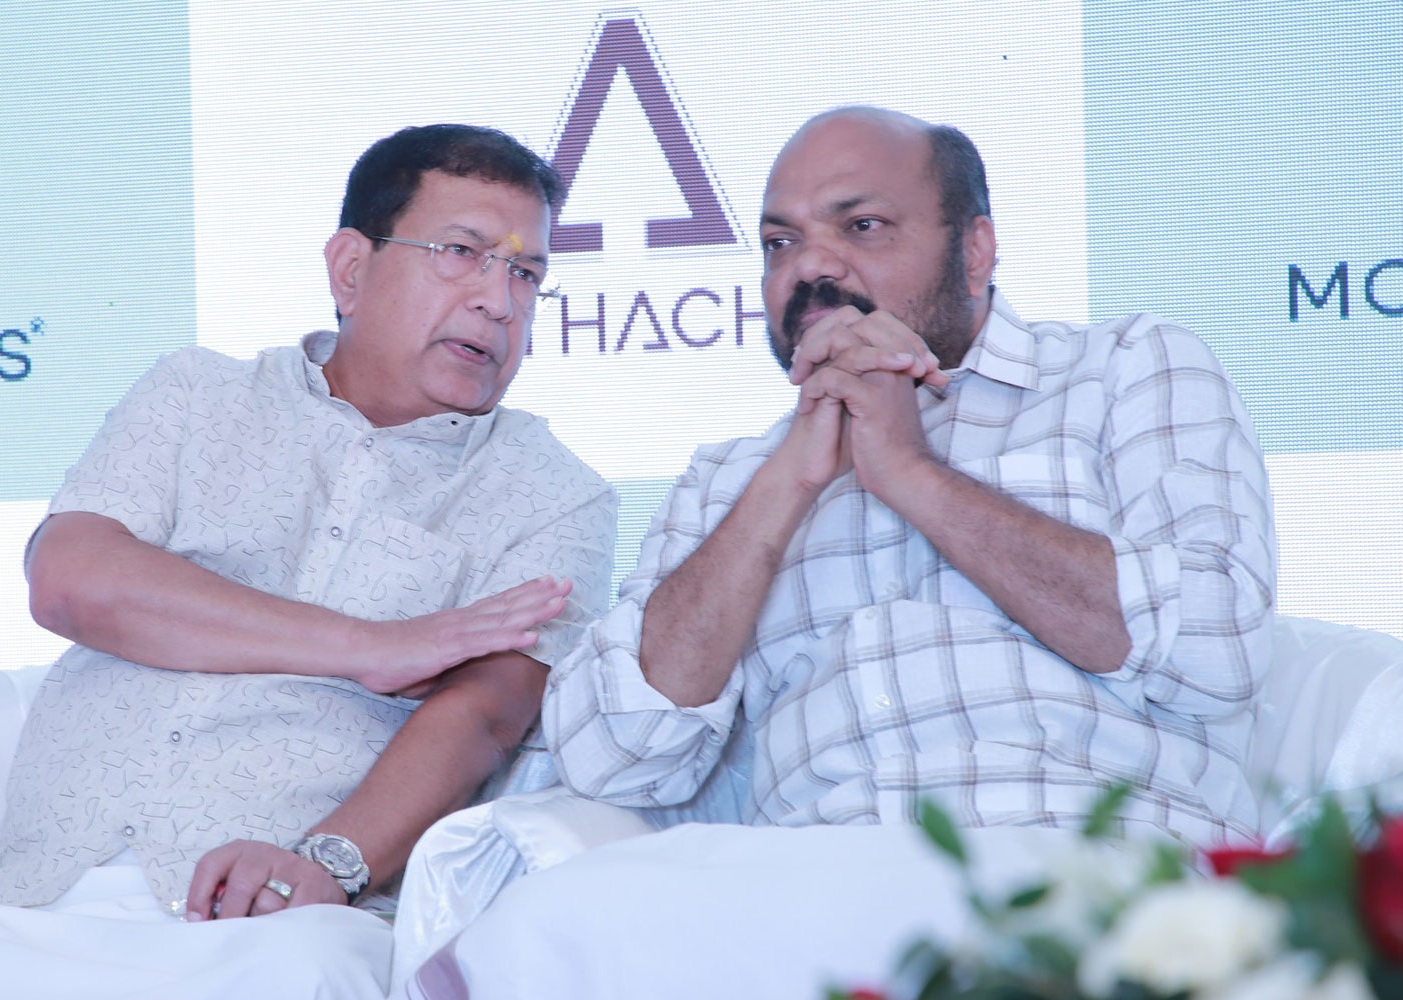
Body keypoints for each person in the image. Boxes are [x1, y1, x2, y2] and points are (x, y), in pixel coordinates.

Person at [0, 123, 614, 999]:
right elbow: (72, 579)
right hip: (32, 901)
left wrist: (327, 864)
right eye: (461, 253)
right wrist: (374, 647)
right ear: (350, 269)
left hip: (282, 918)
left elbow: (486, 712)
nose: (499, 301)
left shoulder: (555, 495)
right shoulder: (196, 394)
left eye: (527, 274)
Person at [544, 106, 1275, 847]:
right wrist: (789, 477)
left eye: (862, 226)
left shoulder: (1123, 369)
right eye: (780, 243)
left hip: (1090, 865)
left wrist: (912, 472)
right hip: (817, 887)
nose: (811, 266)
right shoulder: (727, 481)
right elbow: (610, 760)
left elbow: (1219, 650)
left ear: (976, 251)